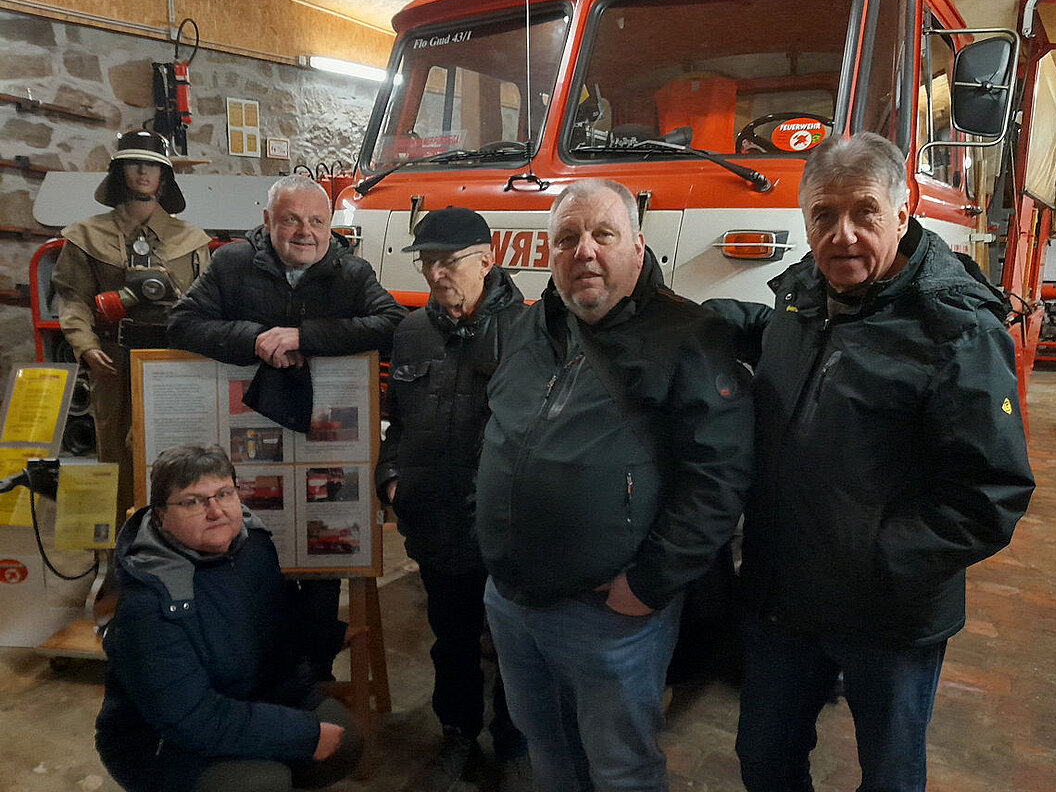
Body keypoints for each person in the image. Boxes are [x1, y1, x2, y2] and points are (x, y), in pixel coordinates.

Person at [716, 133, 1035, 791]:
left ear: (901, 211)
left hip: (888, 617)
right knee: (763, 759)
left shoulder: (955, 329)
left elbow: (991, 493)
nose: (843, 235)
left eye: (864, 212)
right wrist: (688, 320)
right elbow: (794, 348)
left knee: (889, 775)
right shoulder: (803, 295)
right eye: (823, 216)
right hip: (784, 598)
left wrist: (878, 559)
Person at [475, 179, 754, 790]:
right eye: (567, 238)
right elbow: (497, 427)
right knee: (545, 743)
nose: (585, 251)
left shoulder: (688, 335)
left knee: (621, 767)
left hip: (608, 616)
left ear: (637, 246)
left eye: (604, 234)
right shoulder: (528, 325)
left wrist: (648, 584)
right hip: (511, 599)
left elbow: (718, 478)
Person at [167, 173, 406, 679]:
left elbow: (391, 323)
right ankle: (254, 672)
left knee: (321, 563)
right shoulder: (231, 264)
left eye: (317, 221)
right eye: (291, 220)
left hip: (324, 440)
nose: (305, 232)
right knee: (251, 556)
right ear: (266, 222)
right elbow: (182, 323)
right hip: (246, 444)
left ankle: (313, 675)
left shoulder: (351, 271)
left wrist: (304, 337)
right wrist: (254, 340)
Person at [95, 444, 364, 792]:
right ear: (161, 517)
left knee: (346, 741)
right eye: (193, 502)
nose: (215, 511)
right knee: (261, 782)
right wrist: (302, 735)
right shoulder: (149, 601)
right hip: (160, 740)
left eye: (224, 494)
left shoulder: (252, 545)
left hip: (250, 697)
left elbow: (274, 619)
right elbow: (192, 717)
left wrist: (329, 635)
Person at [374, 207, 530, 791]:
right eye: (427, 261)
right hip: (436, 521)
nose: (436, 273)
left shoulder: (530, 332)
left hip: (506, 527)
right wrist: (392, 477)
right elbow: (397, 419)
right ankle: (458, 735)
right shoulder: (412, 331)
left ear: (487, 260)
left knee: (515, 645)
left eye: (449, 261)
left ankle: (514, 743)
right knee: (453, 641)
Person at [51, 129, 211, 523]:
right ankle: (119, 543)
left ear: (164, 176)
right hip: (113, 358)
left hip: (174, 360)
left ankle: (179, 533)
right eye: (134, 164)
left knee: (178, 450)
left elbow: (205, 303)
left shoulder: (190, 240)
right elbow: (73, 297)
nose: (143, 173)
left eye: (152, 166)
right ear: (119, 172)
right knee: (114, 453)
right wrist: (85, 345)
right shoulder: (86, 236)